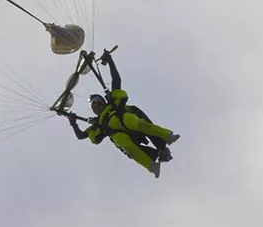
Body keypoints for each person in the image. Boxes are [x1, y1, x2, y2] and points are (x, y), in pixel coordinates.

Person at [66, 49, 179, 177]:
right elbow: (81, 135)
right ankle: (152, 166)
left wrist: (110, 61)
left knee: (137, 123)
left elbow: (116, 80)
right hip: (120, 135)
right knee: (125, 144)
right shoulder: (97, 124)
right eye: (93, 107)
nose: (96, 107)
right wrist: (73, 123)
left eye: (97, 104)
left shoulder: (113, 103)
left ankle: (166, 136)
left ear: (103, 103)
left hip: (124, 118)